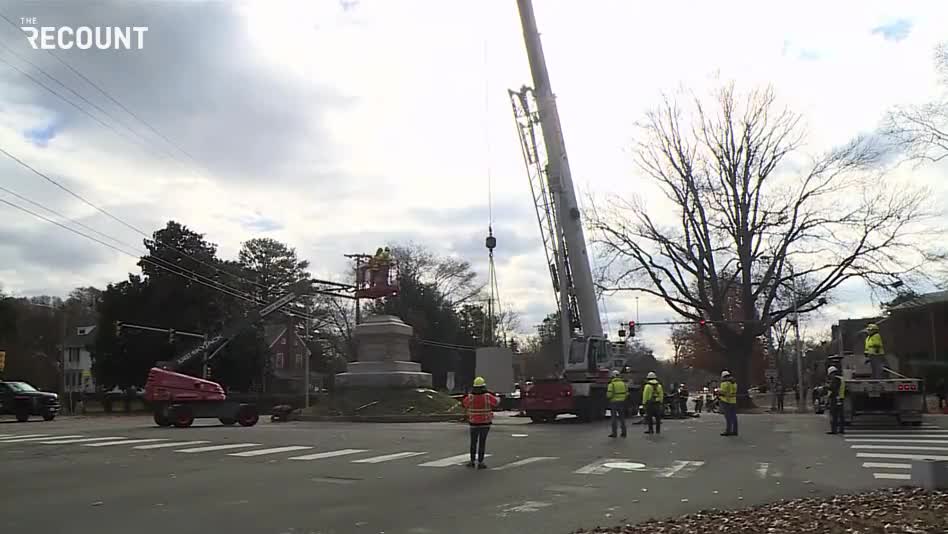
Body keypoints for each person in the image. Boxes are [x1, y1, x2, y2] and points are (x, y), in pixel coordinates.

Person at [461, 376, 499, 469]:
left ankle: (472, 461)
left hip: (473, 423)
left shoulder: (470, 397)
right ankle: (481, 462)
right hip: (485, 423)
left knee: (473, 442)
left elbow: (464, 404)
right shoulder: (487, 397)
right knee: (482, 442)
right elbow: (496, 403)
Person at [606, 370, 628, 438]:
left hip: (614, 402)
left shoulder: (611, 384)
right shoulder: (624, 384)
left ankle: (614, 433)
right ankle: (624, 433)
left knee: (614, 418)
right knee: (622, 418)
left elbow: (609, 395)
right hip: (622, 402)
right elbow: (627, 393)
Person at [826, 366, 846, 435]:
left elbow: (834, 389)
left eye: (830, 374)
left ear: (832, 373)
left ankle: (834, 430)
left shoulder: (836, 380)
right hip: (840, 398)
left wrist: (828, 389)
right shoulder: (840, 379)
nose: (830, 376)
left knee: (834, 415)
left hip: (835, 399)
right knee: (840, 415)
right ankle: (841, 429)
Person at [719, 370, 738, 436]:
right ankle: (735, 431)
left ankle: (728, 430)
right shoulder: (734, 383)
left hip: (726, 401)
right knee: (734, 416)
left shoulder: (724, 383)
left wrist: (719, 392)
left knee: (728, 417)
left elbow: (723, 392)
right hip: (733, 401)